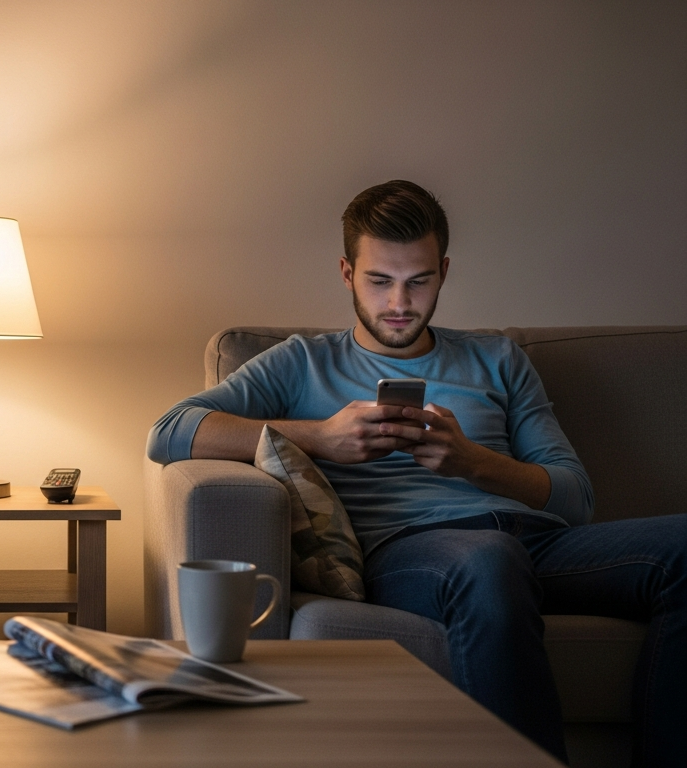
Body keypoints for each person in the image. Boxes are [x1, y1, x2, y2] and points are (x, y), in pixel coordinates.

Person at [147, 180, 685, 765]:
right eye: (380, 280)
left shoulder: (498, 360)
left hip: (537, 545)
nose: (399, 302)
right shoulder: (302, 362)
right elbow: (171, 430)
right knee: (488, 560)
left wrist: (475, 463)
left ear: (444, 272)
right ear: (347, 271)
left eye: (419, 281)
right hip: (415, 553)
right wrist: (321, 437)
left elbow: (575, 497)